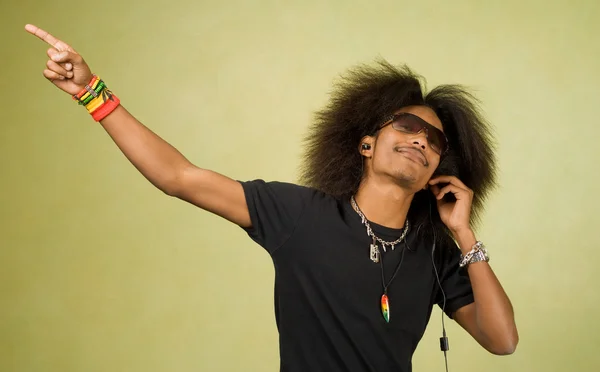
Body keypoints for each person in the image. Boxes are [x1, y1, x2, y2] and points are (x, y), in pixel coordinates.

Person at [25, 23, 518, 372]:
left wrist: (464, 234)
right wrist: (91, 91)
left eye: (435, 141)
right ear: (366, 142)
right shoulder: (298, 214)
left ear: (439, 167)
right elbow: (179, 176)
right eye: (407, 126)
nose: (420, 140)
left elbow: (502, 341)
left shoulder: (436, 252)